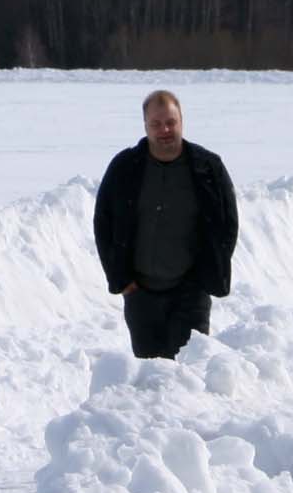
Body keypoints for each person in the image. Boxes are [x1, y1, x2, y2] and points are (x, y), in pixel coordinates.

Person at [92, 88, 240, 359]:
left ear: (181, 121)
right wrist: (122, 280)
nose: (165, 130)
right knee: (150, 378)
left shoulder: (207, 168)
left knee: (187, 375)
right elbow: (104, 224)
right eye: (156, 124)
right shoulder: (125, 167)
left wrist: (208, 273)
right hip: (140, 294)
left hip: (190, 292)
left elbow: (227, 225)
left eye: (171, 122)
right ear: (146, 126)